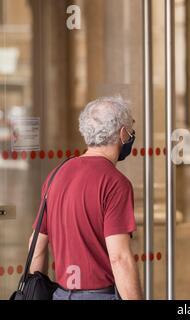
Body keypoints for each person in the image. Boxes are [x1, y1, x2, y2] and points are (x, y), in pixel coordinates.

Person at [28, 96, 143, 300]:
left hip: (60, 294)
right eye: (131, 127)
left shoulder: (56, 174)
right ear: (123, 133)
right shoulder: (115, 183)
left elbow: (36, 245)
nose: (132, 134)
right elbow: (119, 258)